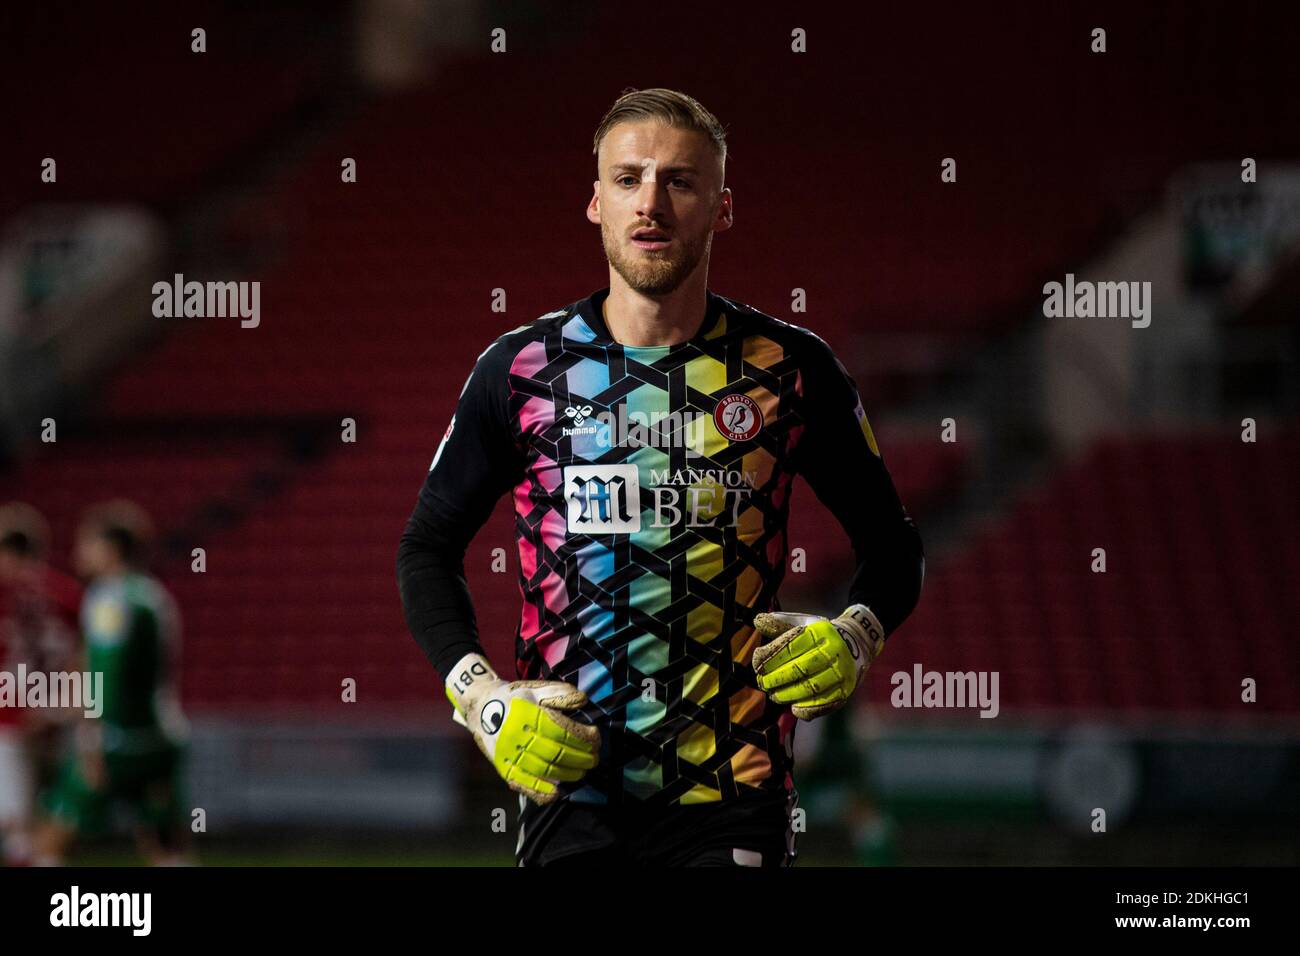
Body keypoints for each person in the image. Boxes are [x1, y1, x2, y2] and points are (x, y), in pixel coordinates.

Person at [397, 88, 924, 867]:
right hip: (569, 792)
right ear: (594, 202)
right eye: (627, 178)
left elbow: (893, 546)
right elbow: (425, 549)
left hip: (733, 792)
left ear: (722, 208)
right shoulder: (521, 370)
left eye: (679, 181)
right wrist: (478, 696)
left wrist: (857, 634)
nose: (651, 202)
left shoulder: (791, 369)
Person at [34, 501, 192, 865]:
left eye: (86, 543)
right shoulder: (154, 595)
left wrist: (89, 741)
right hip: (160, 736)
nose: (79, 552)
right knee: (165, 848)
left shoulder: (109, 599)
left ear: (109, 548)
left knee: (47, 844)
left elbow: (103, 677)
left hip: (116, 741)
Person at [0, 503, 81, 866]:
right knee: (54, 816)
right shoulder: (69, 593)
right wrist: (66, 705)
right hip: (62, 712)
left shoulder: (7, 593)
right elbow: (88, 653)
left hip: (11, 714)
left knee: (17, 824)